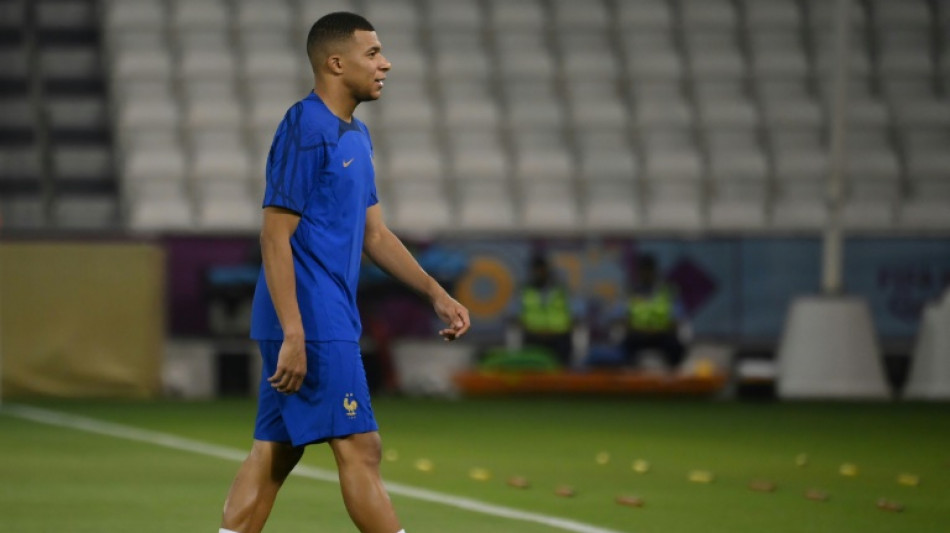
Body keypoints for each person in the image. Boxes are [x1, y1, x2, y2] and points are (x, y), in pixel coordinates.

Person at [218, 12, 470, 533]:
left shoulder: (356, 135)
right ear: (336, 63)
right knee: (360, 446)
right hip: (312, 318)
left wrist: (435, 292)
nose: (386, 63)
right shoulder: (306, 127)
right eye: (373, 53)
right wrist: (294, 332)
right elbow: (273, 235)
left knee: (274, 451)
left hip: (315, 316)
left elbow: (375, 235)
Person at [621, 254, 686, 371]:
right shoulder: (632, 293)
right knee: (625, 346)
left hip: (662, 335)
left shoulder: (667, 292)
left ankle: (673, 376)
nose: (646, 274)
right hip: (639, 335)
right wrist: (642, 331)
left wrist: (656, 331)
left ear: (655, 271)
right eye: (643, 271)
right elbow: (626, 321)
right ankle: (630, 375)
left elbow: (676, 321)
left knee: (676, 347)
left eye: (649, 270)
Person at [512, 253, 576, 368]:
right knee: (531, 363)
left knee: (563, 359)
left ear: (547, 269)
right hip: (534, 336)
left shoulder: (560, 290)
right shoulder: (526, 290)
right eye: (536, 269)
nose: (539, 272)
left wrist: (558, 328)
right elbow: (517, 316)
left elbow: (574, 314)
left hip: (558, 336)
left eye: (541, 269)